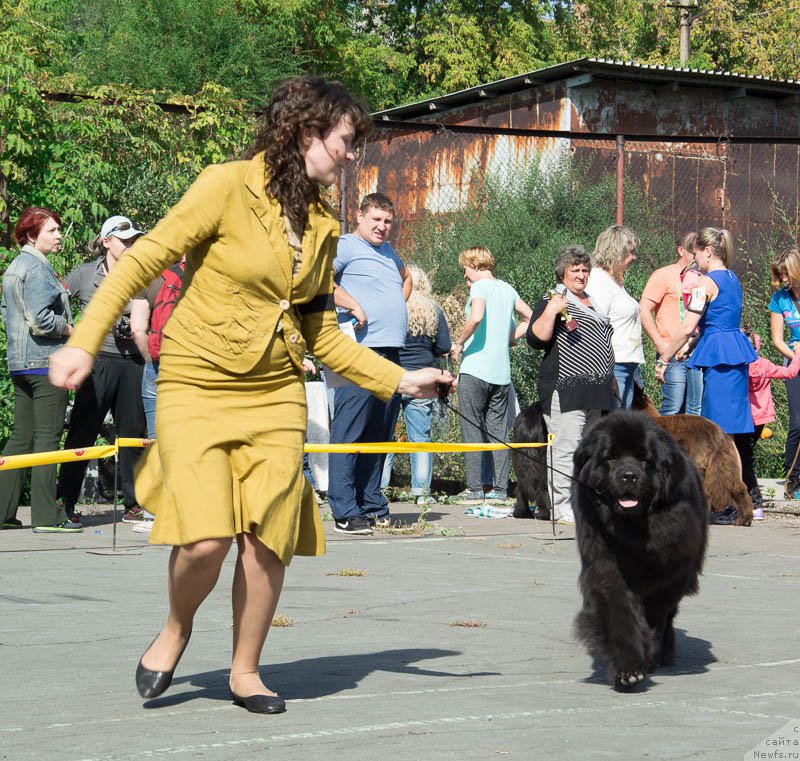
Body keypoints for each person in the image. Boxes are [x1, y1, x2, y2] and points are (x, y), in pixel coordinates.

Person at [48, 76, 452, 714]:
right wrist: (81, 341)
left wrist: (398, 378)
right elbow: (141, 261)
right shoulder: (225, 185)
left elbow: (319, 329)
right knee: (205, 538)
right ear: (306, 132)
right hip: (198, 379)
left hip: (275, 390)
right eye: (346, 141)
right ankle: (177, 626)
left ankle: (245, 670)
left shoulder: (322, 222)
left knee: (268, 534)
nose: (351, 155)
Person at [656, 228, 757, 517]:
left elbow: (687, 326)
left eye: (696, 253)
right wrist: (691, 347)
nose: (694, 258)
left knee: (720, 435)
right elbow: (720, 321)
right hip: (732, 355)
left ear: (708, 252)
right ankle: (738, 501)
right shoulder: (732, 278)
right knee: (729, 434)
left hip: (720, 361)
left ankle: (729, 502)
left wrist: (665, 357)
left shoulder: (704, 283)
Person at [326, 192, 411, 535]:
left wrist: (394, 304)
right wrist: (355, 305)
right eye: (376, 219)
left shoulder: (388, 253)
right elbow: (316, 280)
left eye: (387, 221)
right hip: (359, 352)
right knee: (349, 432)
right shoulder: (345, 246)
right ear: (359, 217)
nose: (382, 227)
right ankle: (345, 509)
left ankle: (372, 504)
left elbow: (407, 279)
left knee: (379, 434)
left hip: (391, 353)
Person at [56, 216, 148, 523]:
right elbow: (55, 300)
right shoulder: (84, 274)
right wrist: (71, 334)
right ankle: (65, 499)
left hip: (133, 362)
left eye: (136, 240)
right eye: (126, 241)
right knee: (83, 430)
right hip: (95, 363)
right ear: (107, 242)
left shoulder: (143, 273)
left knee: (133, 435)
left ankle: (134, 503)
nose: (132, 245)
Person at [0, 207, 79, 533]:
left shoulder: (15, 267)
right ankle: (47, 516)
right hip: (46, 364)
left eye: (59, 229)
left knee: (22, 438)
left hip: (20, 364)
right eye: (52, 230)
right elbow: (40, 320)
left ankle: (3, 512)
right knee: (47, 438)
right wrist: (71, 330)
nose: (59, 235)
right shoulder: (35, 269)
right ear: (32, 235)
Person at [526, 244, 615, 524]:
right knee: (565, 448)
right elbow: (536, 338)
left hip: (596, 390)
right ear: (562, 272)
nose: (581, 274)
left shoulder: (592, 300)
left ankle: (582, 503)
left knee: (588, 450)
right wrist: (552, 311)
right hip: (566, 387)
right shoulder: (554, 298)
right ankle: (560, 505)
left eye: (585, 270)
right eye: (574, 269)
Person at [452, 246, 532, 504]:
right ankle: (499, 490)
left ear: (474, 265)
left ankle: (474, 489)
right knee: (499, 432)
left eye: (465, 268)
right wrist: (509, 338)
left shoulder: (479, 287)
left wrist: (459, 342)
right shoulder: (508, 289)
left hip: (475, 368)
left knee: (471, 427)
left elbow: (476, 317)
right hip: (501, 374)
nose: (465, 274)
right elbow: (531, 317)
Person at [384, 265, 452, 505]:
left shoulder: (393, 306)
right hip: (423, 379)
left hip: (393, 376)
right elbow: (444, 346)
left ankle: (380, 488)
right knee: (420, 438)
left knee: (385, 435)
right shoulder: (433, 309)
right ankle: (422, 493)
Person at [129, 256, 186, 532]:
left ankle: (154, 513)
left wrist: (151, 360)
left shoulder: (153, 276)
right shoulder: (214, 273)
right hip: (194, 367)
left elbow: (138, 328)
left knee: (156, 439)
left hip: (157, 365)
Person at [639, 232, 704, 415]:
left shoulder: (702, 277)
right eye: (693, 251)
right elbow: (643, 310)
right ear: (681, 250)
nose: (696, 255)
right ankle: (663, 443)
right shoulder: (664, 275)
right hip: (673, 351)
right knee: (673, 407)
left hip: (696, 349)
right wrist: (661, 345)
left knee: (694, 411)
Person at [742, 328, 800, 520]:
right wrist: (798, 353)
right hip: (762, 419)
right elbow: (791, 373)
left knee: (744, 457)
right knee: (747, 456)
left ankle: (750, 498)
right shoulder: (764, 365)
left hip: (743, 418)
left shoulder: (738, 368)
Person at [587, 225, 644, 409]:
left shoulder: (613, 281)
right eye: (631, 252)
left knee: (622, 425)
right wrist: (606, 371)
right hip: (613, 366)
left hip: (625, 365)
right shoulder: (598, 281)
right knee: (614, 426)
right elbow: (596, 326)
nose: (634, 257)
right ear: (617, 252)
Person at [768, 247, 800, 498]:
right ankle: (794, 481)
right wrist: (795, 356)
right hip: (795, 364)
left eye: (787, 274)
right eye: (780, 275)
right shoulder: (780, 299)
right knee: (797, 423)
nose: (784, 280)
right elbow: (777, 340)